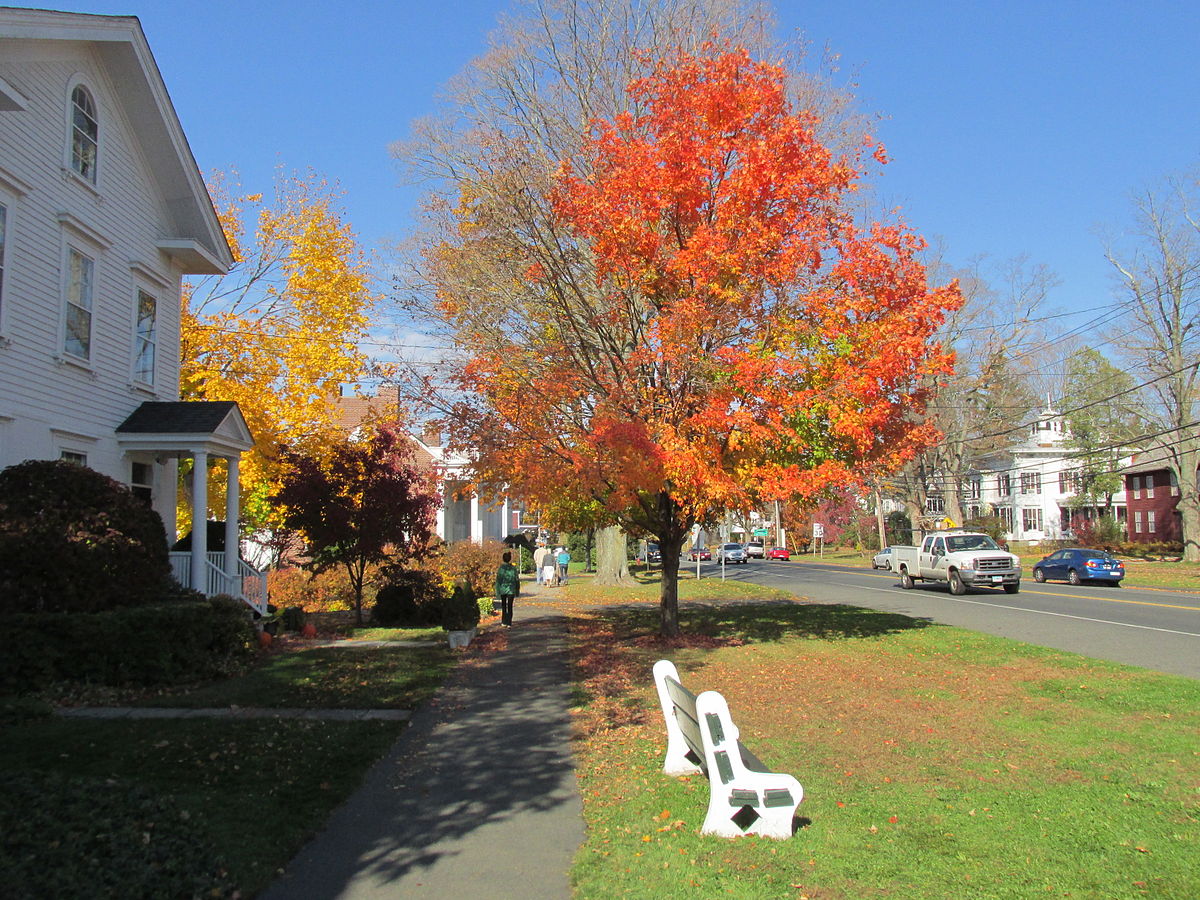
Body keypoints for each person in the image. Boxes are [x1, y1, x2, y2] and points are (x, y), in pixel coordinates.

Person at [495, 550, 521, 627]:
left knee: (503, 606)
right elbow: (516, 579)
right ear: (510, 559)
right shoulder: (513, 568)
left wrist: (497, 591)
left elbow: (498, 580)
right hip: (511, 589)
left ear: (503, 559)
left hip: (503, 589)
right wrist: (517, 590)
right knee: (510, 606)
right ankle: (509, 622)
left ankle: (503, 621)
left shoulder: (501, 568)